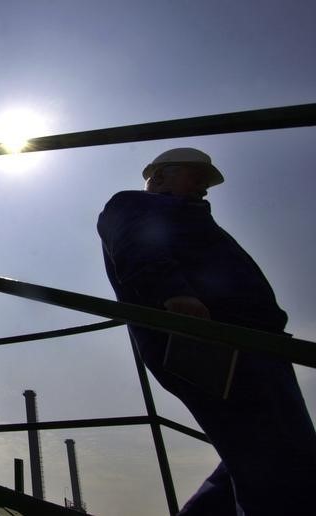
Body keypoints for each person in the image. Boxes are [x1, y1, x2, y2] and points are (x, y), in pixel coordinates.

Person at [97, 148, 316, 515]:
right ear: (160, 176)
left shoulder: (190, 217)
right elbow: (136, 244)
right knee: (277, 456)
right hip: (215, 341)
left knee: (258, 452)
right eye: (195, 176)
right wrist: (173, 293)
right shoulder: (133, 204)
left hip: (253, 342)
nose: (204, 188)